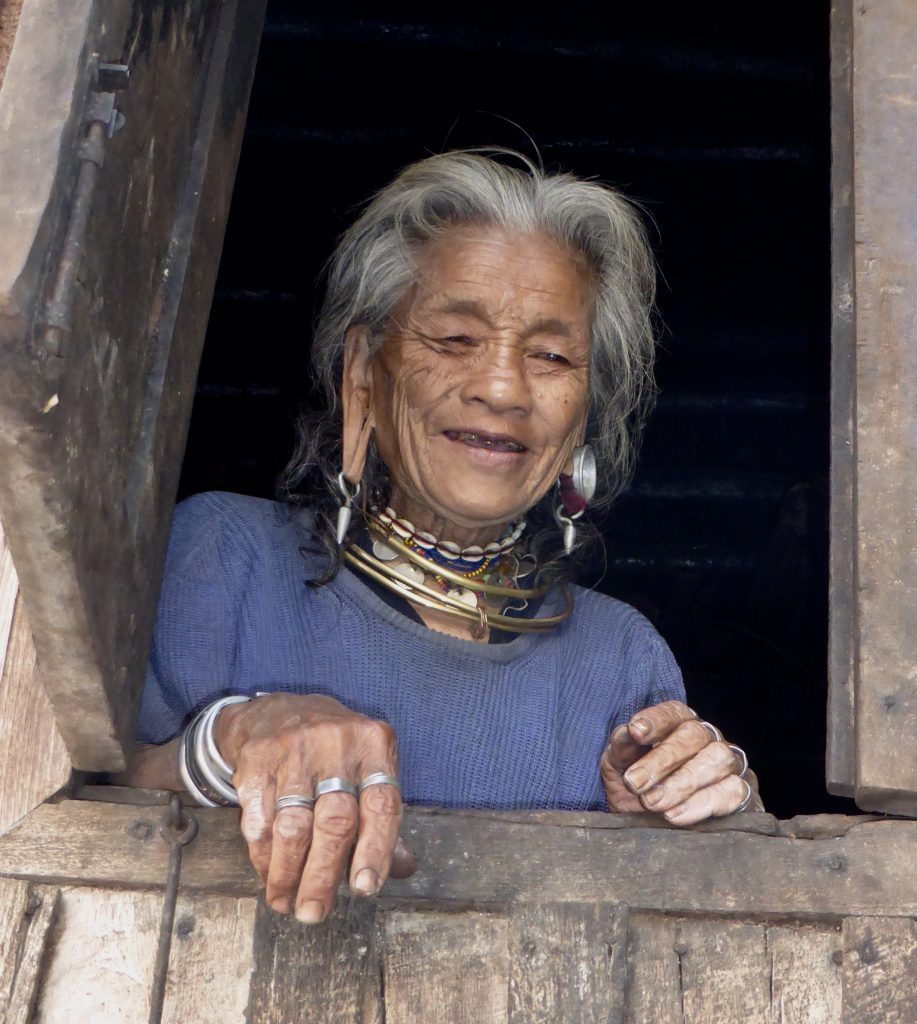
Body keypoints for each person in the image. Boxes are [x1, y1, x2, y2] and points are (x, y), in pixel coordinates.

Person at [125, 151, 761, 924]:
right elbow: (58, 796)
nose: (500, 387)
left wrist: (715, 805)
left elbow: (705, 927)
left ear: (585, 410)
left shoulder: (619, 660)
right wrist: (235, 737)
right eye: (455, 338)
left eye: (552, 356)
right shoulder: (223, 559)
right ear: (364, 371)